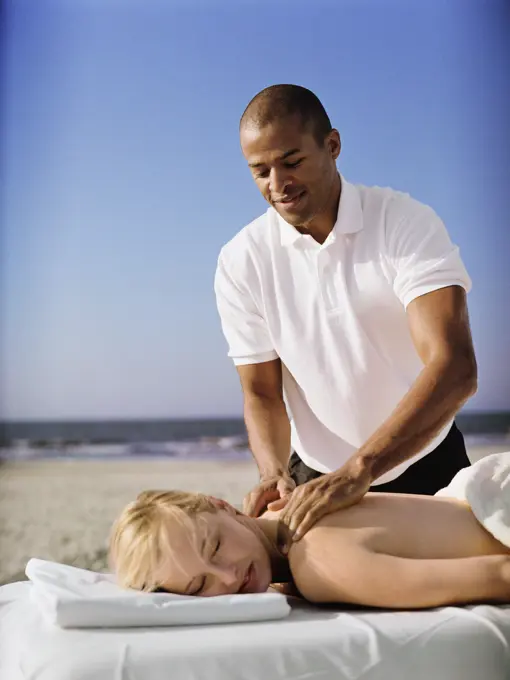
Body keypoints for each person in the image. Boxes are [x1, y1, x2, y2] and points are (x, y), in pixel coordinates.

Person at [214, 84, 478, 544]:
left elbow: (455, 367)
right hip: (315, 476)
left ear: (332, 146)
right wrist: (272, 471)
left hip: (428, 464)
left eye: (291, 162)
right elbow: (261, 392)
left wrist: (362, 469)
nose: (277, 185)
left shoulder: (403, 222)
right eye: (260, 171)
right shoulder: (241, 260)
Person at [109, 484, 510, 610]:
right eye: (199, 586)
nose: (228, 576)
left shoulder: (318, 563)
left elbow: (498, 575)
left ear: (222, 505)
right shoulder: (290, 508)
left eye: (215, 548)